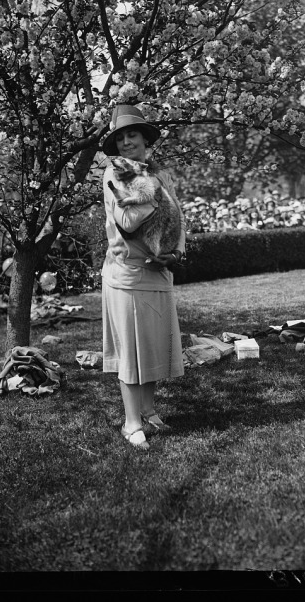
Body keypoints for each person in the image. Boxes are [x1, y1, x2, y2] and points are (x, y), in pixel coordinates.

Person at [101, 105, 186, 450]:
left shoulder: (158, 173)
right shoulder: (114, 174)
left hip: (157, 271)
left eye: (131, 135)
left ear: (145, 138)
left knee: (150, 347)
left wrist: (176, 253)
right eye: (119, 138)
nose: (125, 143)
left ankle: (149, 410)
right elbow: (128, 221)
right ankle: (131, 422)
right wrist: (153, 195)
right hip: (128, 274)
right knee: (131, 352)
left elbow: (179, 217)